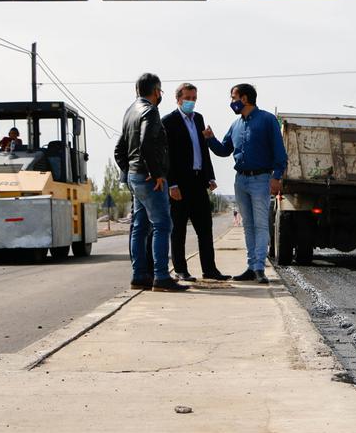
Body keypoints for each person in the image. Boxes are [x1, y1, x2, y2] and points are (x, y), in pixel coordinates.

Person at [206, 83, 287, 284]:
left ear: (244, 98)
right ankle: (251, 266)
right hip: (240, 180)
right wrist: (210, 139)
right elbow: (225, 150)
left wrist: (276, 177)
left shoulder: (267, 120)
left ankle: (259, 267)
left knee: (260, 225)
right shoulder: (236, 125)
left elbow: (280, 153)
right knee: (248, 225)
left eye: (233, 98)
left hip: (261, 179)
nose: (231, 102)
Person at [115, 72, 188, 292]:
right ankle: (161, 277)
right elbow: (147, 142)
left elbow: (119, 150)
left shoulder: (130, 112)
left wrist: (131, 171)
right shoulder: (150, 111)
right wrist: (155, 172)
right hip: (149, 179)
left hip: (135, 177)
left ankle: (139, 276)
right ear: (156, 91)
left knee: (140, 226)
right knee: (162, 225)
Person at [162, 83, 229, 282]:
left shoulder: (198, 119)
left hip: (199, 181)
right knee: (179, 229)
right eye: (187, 98)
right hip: (180, 185)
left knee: (205, 228)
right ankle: (181, 269)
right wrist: (172, 184)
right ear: (178, 99)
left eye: (194, 98)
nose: (191, 102)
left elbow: (203, 149)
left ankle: (210, 270)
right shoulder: (168, 121)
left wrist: (210, 176)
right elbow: (168, 157)